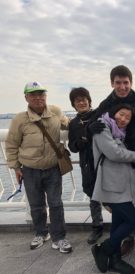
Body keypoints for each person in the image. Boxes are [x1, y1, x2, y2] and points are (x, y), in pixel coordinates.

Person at [91, 65, 135, 259]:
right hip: (118, 165)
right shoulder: (106, 104)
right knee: (121, 204)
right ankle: (127, 238)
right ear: (112, 83)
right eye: (118, 83)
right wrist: (90, 128)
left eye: (125, 82)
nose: (122, 86)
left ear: (131, 82)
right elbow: (95, 126)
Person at [5, 81, 72, 253]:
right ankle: (41, 233)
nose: (38, 98)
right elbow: (12, 145)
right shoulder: (19, 119)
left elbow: (70, 124)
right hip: (30, 169)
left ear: (46, 96)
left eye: (41, 94)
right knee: (36, 204)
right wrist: (16, 167)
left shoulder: (55, 112)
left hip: (53, 167)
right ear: (26, 97)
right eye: (33, 94)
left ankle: (59, 237)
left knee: (56, 203)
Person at [91, 103, 135, 274]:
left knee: (119, 222)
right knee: (133, 219)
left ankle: (115, 260)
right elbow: (113, 153)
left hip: (119, 185)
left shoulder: (118, 133)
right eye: (121, 115)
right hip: (111, 184)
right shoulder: (102, 127)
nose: (123, 119)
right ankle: (103, 248)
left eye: (127, 118)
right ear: (114, 113)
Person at [68, 87, 104, 245]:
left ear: (89, 101)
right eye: (77, 101)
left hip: (105, 162)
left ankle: (121, 226)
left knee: (114, 196)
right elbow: (73, 147)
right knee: (93, 196)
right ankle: (97, 226)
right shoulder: (74, 123)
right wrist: (84, 137)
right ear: (73, 104)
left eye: (84, 99)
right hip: (87, 165)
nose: (81, 102)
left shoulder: (100, 115)